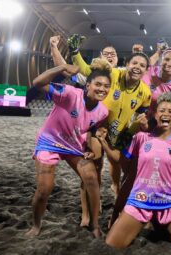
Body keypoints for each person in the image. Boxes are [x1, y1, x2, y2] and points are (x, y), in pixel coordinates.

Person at [102, 93, 171, 248]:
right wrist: (103, 141)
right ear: (155, 114)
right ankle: (150, 225)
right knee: (111, 245)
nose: (166, 114)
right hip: (140, 200)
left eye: (170, 111)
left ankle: (162, 229)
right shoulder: (141, 138)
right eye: (162, 110)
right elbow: (121, 162)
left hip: (169, 202)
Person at [25, 59, 111, 238]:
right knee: (44, 190)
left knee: (91, 178)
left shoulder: (103, 111)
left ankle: (95, 225)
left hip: (73, 146)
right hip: (49, 142)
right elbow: (37, 83)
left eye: (106, 86)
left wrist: (88, 145)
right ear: (88, 85)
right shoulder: (71, 94)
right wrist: (62, 68)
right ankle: (36, 225)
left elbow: (90, 129)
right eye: (98, 84)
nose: (102, 88)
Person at [70, 40, 152, 197]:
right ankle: (93, 200)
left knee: (116, 163)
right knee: (95, 165)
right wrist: (75, 52)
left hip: (120, 133)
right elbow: (87, 70)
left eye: (142, 65)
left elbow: (140, 118)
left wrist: (129, 132)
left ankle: (115, 186)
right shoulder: (112, 74)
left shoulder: (145, 93)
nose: (137, 67)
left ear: (146, 70)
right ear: (127, 63)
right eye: (134, 62)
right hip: (97, 127)